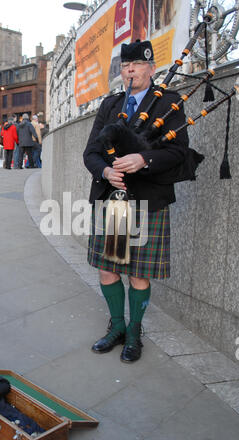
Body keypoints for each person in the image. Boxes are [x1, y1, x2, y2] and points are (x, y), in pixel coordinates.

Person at [83, 40, 189, 363]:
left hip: (147, 200)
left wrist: (144, 159)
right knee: (107, 270)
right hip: (114, 201)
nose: (130, 70)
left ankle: (134, 331)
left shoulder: (168, 103)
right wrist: (104, 171)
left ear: (151, 69)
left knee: (138, 273)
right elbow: (90, 153)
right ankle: (116, 327)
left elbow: (178, 152)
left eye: (137, 65)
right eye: (126, 66)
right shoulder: (110, 106)